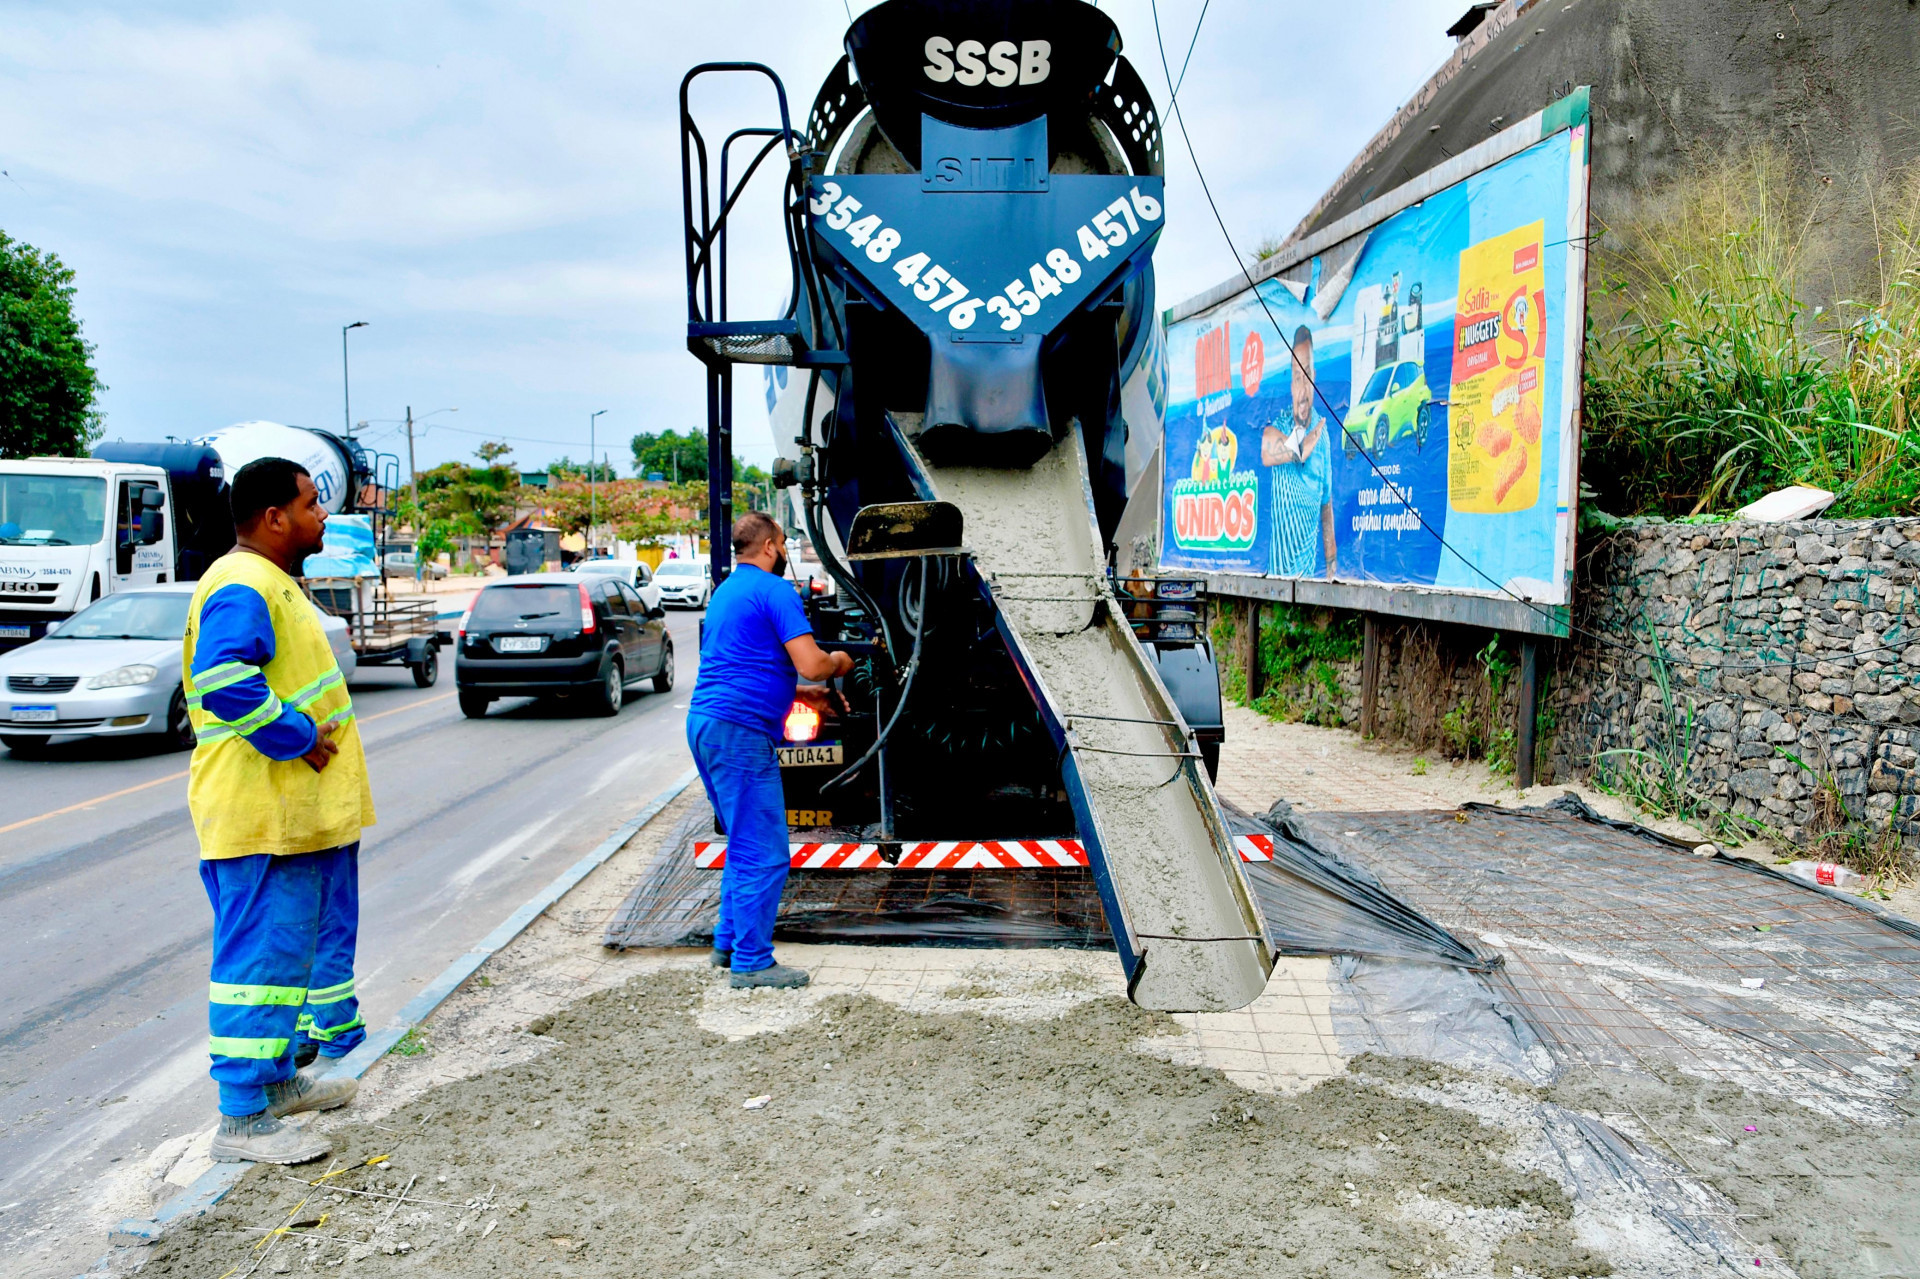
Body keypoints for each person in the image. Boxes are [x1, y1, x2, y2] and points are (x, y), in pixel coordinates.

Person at [185, 457, 375, 1164]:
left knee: (285, 960)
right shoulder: (243, 582)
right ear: (274, 518)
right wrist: (297, 735)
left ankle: (277, 1084)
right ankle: (241, 1118)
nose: (322, 515)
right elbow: (224, 678)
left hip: (292, 818)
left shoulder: (271, 581)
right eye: (310, 504)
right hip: (261, 814)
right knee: (256, 964)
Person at [686, 511, 852, 989]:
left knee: (742, 839)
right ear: (768, 547)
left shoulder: (727, 591)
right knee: (765, 851)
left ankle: (727, 942)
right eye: (782, 543)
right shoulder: (774, 590)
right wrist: (845, 658)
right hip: (739, 731)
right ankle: (753, 964)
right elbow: (814, 665)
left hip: (706, 724)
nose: (783, 551)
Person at [1262, 325, 1338, 579]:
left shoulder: (1322, 435)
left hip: (1309, 583)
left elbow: (1326, 510)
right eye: (1297, 377)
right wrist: (1302, 446)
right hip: (1276, 582)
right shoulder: (1280, 425)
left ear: (1314, 378)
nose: (1303, 389)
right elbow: (1267, 450)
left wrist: (1332, 571)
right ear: (1291, 384)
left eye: (1306, 376)